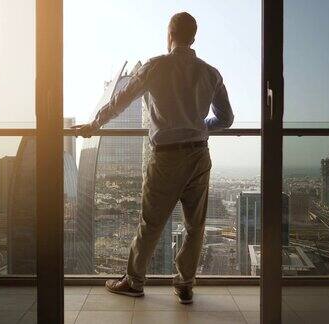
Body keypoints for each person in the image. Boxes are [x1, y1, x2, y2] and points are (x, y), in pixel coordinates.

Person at [73, 12, 233, 304]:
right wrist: (200, 127)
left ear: (169, 34)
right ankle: (184, 284)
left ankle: (134, 281)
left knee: (152, 222)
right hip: (199, 154)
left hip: (167, 157)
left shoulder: (155, 67)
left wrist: (93, 125)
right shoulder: (211, 72)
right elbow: (227, 118)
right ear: (194, 37)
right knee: (195, 225)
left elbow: (118, 102)